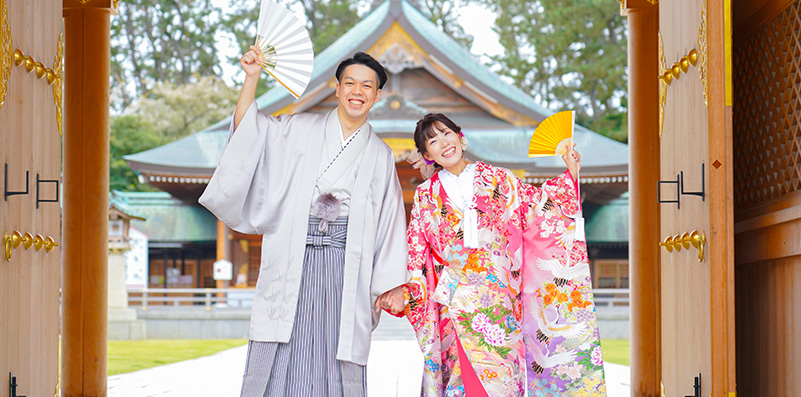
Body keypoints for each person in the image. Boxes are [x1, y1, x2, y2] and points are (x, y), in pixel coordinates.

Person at [199, 48, 408, 397]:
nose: (358, 91)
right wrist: (251, 78)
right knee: (284, 341)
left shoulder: (381, 156)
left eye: (367, 86)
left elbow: (389, 221)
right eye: (350, 83)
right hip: (294, 252)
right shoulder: (298, 129)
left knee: (336, 343)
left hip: (346, 264)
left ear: (377, 95)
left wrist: (392, 283)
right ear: (337, 88)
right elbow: (251, 132)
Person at [381, 113, 607, 396]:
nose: (443, 143)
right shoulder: (426, 195)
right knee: (462, 383)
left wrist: (569, 175)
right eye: (432, 142)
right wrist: (407, 289)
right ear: (427, 155)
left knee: (502, 382)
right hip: (456, 304)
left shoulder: (499, 179)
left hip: (500, 303)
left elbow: (539, 208)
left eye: (446, 134)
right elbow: (416, 250)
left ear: (461, 137)